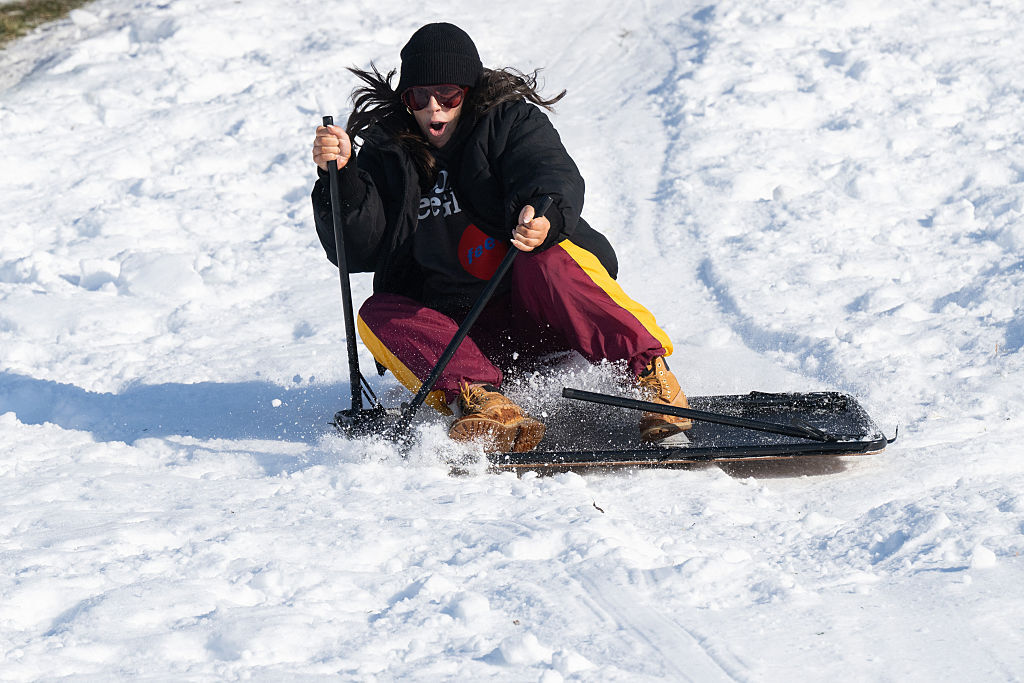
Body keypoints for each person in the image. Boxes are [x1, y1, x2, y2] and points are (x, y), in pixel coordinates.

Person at [311, 22, 691, 453]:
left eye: (448, 95)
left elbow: (549, 171)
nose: (434, 109)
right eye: (419, 97)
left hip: (536, 313)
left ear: (468, 91)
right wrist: (340, 181)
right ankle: (485, 403)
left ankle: (650, 379)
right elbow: (358, 250)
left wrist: (543, 211)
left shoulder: (509, 120)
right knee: (377, 310)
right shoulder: (386, 150)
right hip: (456, 334)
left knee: (550, 254)